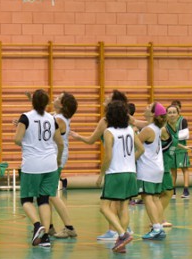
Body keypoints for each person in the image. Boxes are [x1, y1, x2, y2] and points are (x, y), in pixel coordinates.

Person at [70, 89, 132, 240]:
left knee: (109, 205)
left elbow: (92, 141)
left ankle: (115, 231)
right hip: (129, 167)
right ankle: (123, 230)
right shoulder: (127, 121)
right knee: (122, 204)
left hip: (115, 168)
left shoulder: (105, 122)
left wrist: (78, 137)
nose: (105, 98)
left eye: (109, 97)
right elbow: (140, 142)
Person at [13, 89, 64, 248]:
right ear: (47, 103)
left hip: (32, 164)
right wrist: (58, 159)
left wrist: (27, 141)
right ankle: (46, 237)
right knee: (44, 199)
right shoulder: (52, 119)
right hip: (50, 164)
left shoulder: (25, 117)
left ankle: (37, 225)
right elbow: (60, 143)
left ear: (33, 102)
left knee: (26, 199)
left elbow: (17, 139)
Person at [97, 100, 144, 253]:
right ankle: (121, 241)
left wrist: (101, 174)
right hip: (130, 173)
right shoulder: (130, 130)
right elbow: (141, 149)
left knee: (104, 207)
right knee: (124, 207)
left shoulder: (109, 132)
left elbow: (108, 157)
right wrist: (130, 161)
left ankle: (123, 234)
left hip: (115, 173)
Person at [137, 103, 168, 240]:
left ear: (153, 114)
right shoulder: (156, 128)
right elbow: (135, 121)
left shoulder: (148, 130)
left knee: (147, 197)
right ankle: (159, 227)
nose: (145, 107)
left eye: (148, 106)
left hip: (147, 168)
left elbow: (134, 143)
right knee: (155, 198)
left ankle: (156, 228)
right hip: (157, 167)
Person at [49, 92, 78, 239]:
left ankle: (69, 227)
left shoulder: (59, 120)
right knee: (46, 194)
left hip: (57, 157)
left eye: (58, 98)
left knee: (51, 193)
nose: (54, 98)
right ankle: (49, 226)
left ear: (61, 105)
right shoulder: (57, 116)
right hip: (55, 156)